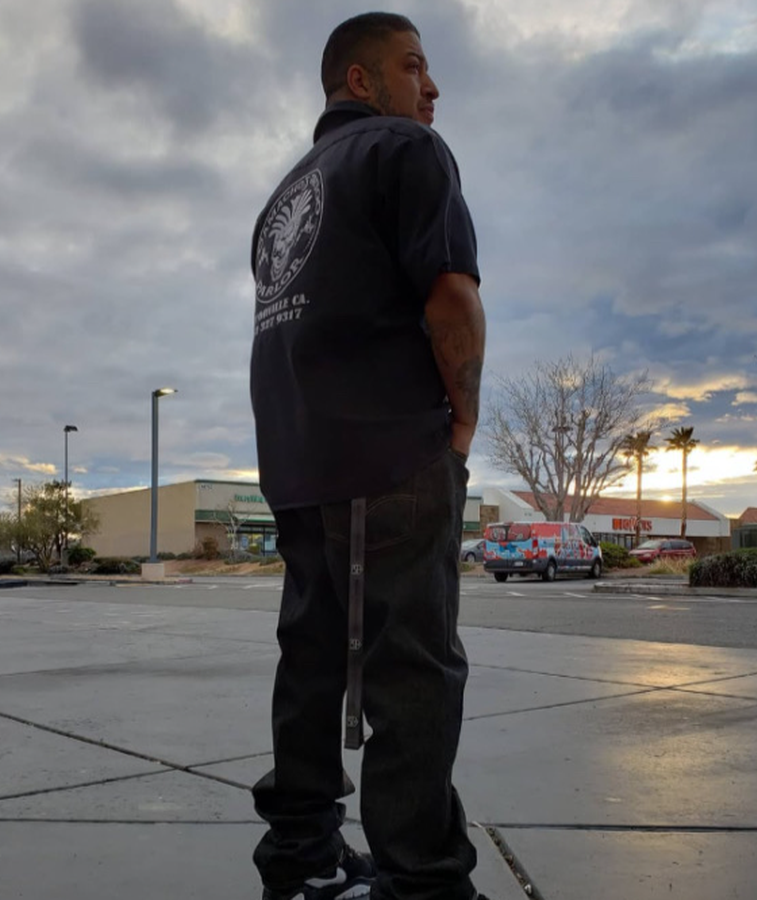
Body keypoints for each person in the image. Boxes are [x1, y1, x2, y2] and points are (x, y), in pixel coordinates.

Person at [248, 12, 488, 900]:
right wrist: (461, 425)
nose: (432, 87)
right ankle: (422, 883)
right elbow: (451, 297)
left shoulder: (283, 199)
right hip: (390, 453)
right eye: (413, 65)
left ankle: (302, 857)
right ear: (361, 80)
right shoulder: (406, 149)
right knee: (414, 668)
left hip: (299, 464)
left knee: (310, 662)